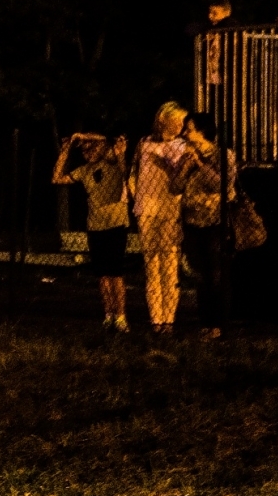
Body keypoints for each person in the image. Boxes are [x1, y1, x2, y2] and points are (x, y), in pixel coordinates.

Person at [53, 132, 130, 331]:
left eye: (92, 148)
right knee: (102, 274)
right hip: (95, 226)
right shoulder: (84, 171)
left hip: (115, 223)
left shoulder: (112, 162)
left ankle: (121, 316)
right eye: (84, 150)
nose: (89, 152)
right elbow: (57, 178)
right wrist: (66, 149)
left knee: (115, 273)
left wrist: (81, 136)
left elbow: (104, 139)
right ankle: (109, 315)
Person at [133, 102, 192, 335]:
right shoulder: (144, 143)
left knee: (169, 264)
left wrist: (167, 162)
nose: (180, 125)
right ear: (163, 120)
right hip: (147, 208)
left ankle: (169, 318)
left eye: (183, 122)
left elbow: (180, 174)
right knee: (152, 264)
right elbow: (136, 172)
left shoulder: (182, 145)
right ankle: (155, 318)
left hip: (170, 209)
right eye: (176, 120)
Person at [180, 112, 236, 338]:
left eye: (189, 129)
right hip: (192, 221)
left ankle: (218, 324)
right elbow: (175, 186)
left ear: (203, 131)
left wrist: (199, 164)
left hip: (214, 220)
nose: (185, 133)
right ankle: (204, 322)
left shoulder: (223, 155)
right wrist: (185, 167)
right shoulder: (187, 156)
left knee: (216, 274)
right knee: (200, 275)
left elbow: (221, 184)